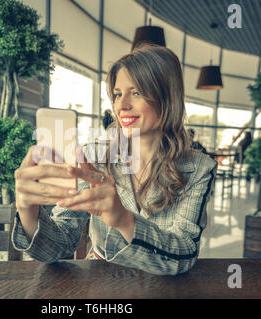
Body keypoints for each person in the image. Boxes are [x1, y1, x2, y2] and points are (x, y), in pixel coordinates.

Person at [12, 44, 218, 275]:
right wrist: (27, 211)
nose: (121, 105)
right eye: (118, 94)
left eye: (137, 92)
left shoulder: (200, 168)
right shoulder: (93, 158)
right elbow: (59, 246)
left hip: (164, 289)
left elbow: (183, 254)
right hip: (102, 284)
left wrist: (124, 221)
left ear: (167, 98)